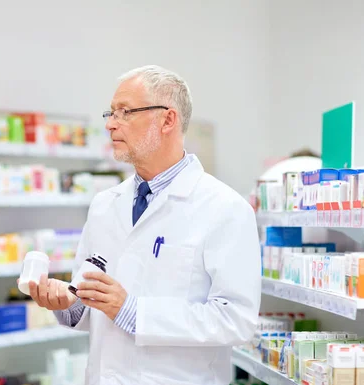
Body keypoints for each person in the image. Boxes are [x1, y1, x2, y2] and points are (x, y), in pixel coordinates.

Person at [28, 65, 262, 385]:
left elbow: (236, 320)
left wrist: (134, 311)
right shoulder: (104, 205)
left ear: (168, 119)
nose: (111, 124)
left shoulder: (225, 209)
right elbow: (91, 296)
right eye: (110, 113)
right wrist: (67, 303)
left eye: (125, 112)